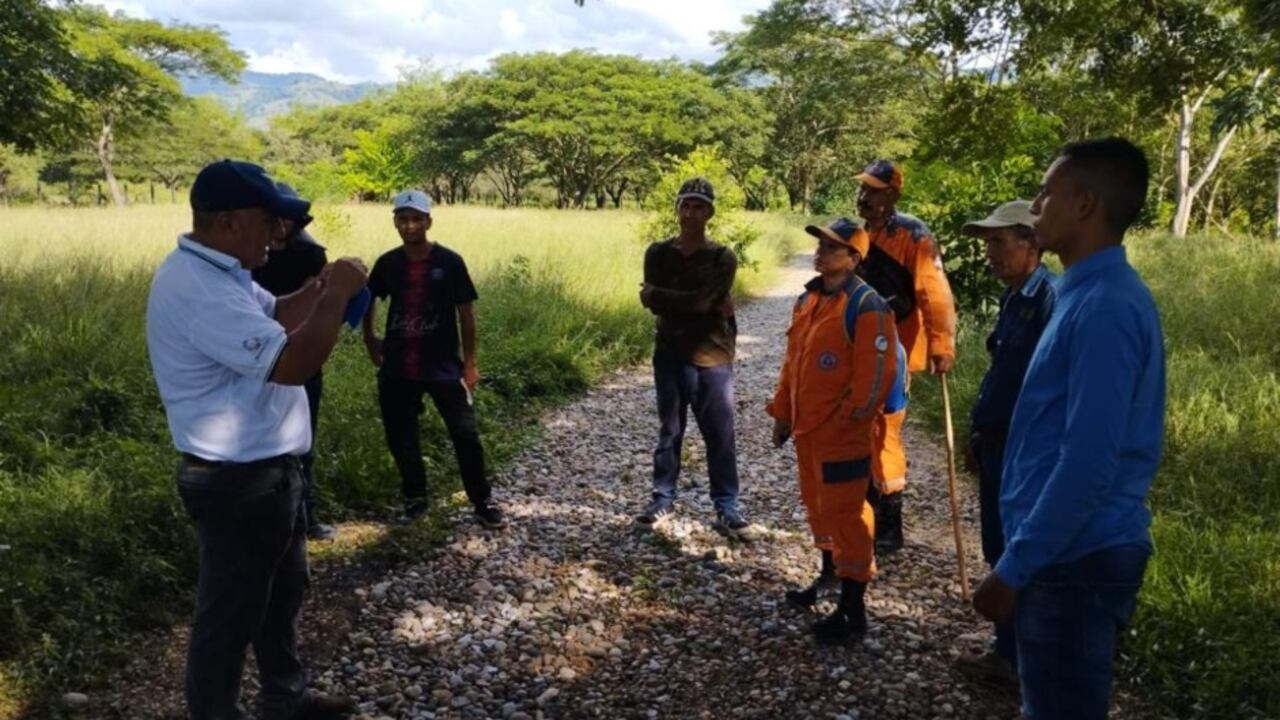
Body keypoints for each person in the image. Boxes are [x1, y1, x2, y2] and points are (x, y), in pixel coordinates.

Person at [146, 160, 364, 719]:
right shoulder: (200, 289)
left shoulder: (226, 272)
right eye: (269, 221)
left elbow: (279, 314)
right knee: (230, 615)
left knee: (281, 593)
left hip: (268, 474)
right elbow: (292, 362)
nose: (278, 232)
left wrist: (319, 287)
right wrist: (337, 298)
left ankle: (284, 697)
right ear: (228, 223)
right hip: (237, 482)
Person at [972, 138, 1165, 719]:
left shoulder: (1105, 306)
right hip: (1062, 553)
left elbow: (1088, 461)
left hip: (1075, 560)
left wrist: (1013, 568)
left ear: (1084, 205)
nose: (1035, 207)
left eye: (1046, 193)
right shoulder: (1083, 295)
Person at [767, 218, 904, 643]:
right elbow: (793, 364)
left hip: (843, 436)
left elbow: (875, 379)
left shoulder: (867, 307)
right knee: (820, 510)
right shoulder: (809, 299)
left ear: (854, 258)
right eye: (821, 244)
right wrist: (783, 414)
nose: (822, 252)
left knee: (848, 518)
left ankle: (852, 611)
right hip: (809, 432)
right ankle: (827, 579)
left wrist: (847, 423)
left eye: (833, 247)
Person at [954, 200, 1057, 686]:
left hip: (1027, 452)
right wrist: (978, 432)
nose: (989, 253)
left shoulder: (1051, 299)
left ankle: (1030, 662)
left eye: (998, 242)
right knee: (998, 547)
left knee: (1023, 550)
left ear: (1031, 243)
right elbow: (1003, 373)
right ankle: (1007, 651)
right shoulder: (1014, 297)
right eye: (987, 243)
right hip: (996, 445)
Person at [362, 189, 506, 529]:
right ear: (395, 222)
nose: (409, 225)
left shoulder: (449, 262)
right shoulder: (388, 263)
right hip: (398, 366)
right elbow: (368, 300)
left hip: (443, 366)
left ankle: (482, 500)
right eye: (403, 219)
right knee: (401, 435)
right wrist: (370, 338)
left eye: (416, 219)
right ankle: (415, 499)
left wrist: (469, 363)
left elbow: (466, 314)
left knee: (465, 434)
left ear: (429, 221)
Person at [853, 160, 957, 553]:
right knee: (858, 427)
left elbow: (934, 292)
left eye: (874, 190)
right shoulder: (861, 236)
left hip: (896, 350)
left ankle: (890, 523)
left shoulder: (913, 235)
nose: (864, 196)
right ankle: (863, 511)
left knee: (885, 432)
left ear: (893, 194)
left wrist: (941, 344)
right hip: (859, 350)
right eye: (863, 188)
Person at [636, 178, 749, 537]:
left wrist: (660, 295)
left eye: (698, 207)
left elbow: (698, 301)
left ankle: (727, 505)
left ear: (709, 213)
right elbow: (661, 304)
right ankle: (662, 498)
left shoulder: (722, 257)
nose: (690, 213)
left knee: (720, 433)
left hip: (712, 355)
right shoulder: (657, 252)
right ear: (677, 209)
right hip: (669, 353)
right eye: (685, 205)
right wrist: (690, 301)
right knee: (669, 430)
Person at [251, 182, 338, 542]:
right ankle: (271, 520)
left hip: (298, 352)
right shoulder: (248, 256)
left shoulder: (311, 254)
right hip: (254, 354)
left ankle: (305, 517)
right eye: (275, 218)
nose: (281, 226)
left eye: (287, 220)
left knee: (303, 441)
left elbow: (315, 307)